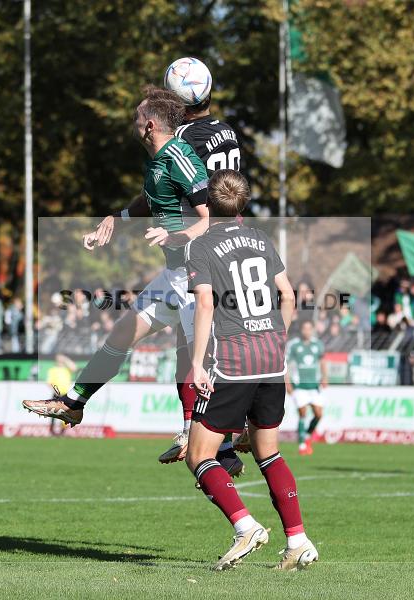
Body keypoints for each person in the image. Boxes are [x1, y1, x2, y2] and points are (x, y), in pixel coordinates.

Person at [23, 87, 214, 457]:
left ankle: (216, 444)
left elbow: (210, 220)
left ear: (150, 125)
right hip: (173, 274)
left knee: (197, 362)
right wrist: (116, 218)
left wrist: (174, 234)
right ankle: (74, 403)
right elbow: (151, 200)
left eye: (137, 115)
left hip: (195, 275)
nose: (133, 121)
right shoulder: (157, 161)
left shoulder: (179, 157)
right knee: (123, 332)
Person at [185, 169, 316, 570]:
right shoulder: (260, 238)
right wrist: (278, 338)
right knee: (268, 452)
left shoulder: (200, 246)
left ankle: (246, 527)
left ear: (208, 202)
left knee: (198, 454)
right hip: (272, 358)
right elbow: (287, 295)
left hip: (234, 360)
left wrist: (197, 363)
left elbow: (205, 303)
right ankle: (298, 541)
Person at [168, 58, 246, 475]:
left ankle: (207, 436)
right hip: (235, 236)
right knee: (219, 337)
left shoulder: (182, 136)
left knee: (193, 343)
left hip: (200, 241)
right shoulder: (228, 131)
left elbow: (175, 185)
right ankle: (230, 433)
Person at [286, 319, 327, 455]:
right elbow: (285, 364)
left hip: (314, 386)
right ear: (301, 330)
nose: (307, 331)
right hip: (299, 386)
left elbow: (322, 361)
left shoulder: (317, 344)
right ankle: (302, 444)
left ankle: (308, 435)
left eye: (309, 329)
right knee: (302, 413)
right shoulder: (294, 345)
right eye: (305, 328)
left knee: (318, 414)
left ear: (312, 330)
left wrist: (325, 377)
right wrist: (287, 382)